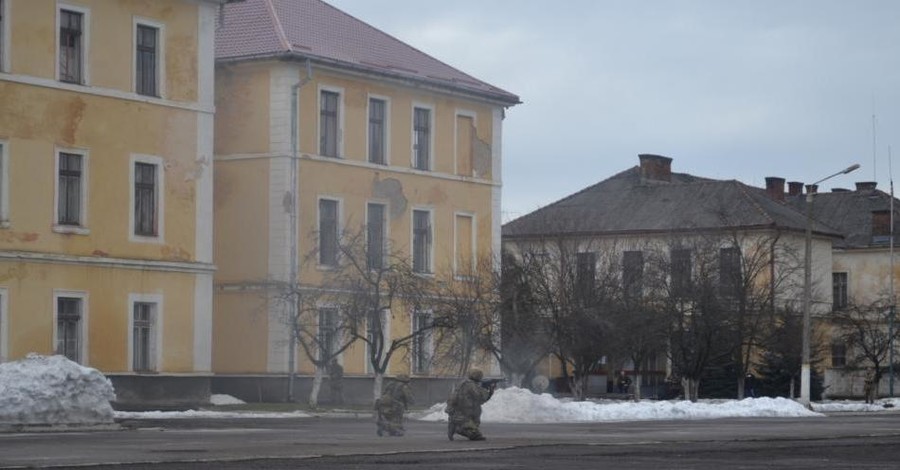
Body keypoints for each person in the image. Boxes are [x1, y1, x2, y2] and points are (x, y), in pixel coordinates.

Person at [446, 368, 494, 441]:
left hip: (456, 412)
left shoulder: (463, 383)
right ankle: (458, 428)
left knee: (475, 426)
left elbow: (477, 400)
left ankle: (456, 425)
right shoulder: (471, 385)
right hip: (463, 414)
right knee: (475, 435)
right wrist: (489, 391)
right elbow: (480, 398)